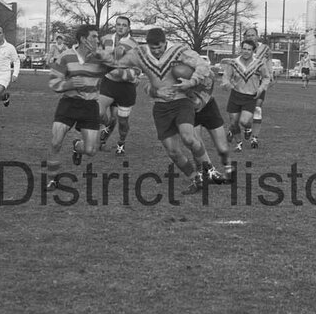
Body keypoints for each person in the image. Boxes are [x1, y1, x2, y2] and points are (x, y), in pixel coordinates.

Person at [116, 28, 214, 194]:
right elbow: (118, 65)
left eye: (159, 47)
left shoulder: (179, 51)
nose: (156, 51)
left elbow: (203, 66)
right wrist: (155, 91)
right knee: (173, 151)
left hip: (182, 101)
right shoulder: (139, 54)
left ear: (165, 42)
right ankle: (195, 179)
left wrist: (191, 82)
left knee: (188, 138)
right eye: (153, 48)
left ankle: (207, 169)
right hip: (161, 107)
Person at [47, 24, 124, 187]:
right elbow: (53, 82)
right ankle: (52, 179)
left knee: (91, 151)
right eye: (94, 37)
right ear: (83, 39)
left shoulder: (99, 58)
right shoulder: (66, 56)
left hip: (90, 106)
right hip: (68, 104)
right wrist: (68, 84)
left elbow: (117, 65)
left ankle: (77, 146)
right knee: (55, 142)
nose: (97, 39)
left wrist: (99, 53)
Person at [97, 15, 141, 155]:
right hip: (109, 83)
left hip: (125, 87)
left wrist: (125, 74)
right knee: (98, 113)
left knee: (122, 122)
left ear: (129, 28)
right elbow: (98, 55)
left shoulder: (134, 45)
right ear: (115, 26)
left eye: (124, 25)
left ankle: (121, 142)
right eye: (118, 24)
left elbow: (138, 69)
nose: (121, 27)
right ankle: (108, 125)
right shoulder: (106, 39)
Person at [221, 40, 272, 151]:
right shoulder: (233, 63)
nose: (246, 51)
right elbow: (226, 77)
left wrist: (261, 88)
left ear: (253, 51)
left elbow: (266, 77)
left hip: (250, 97)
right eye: (244, 49)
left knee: (244, 121)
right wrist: (227, 84)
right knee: (233, 122)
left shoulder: (259, 64)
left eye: (249, 49)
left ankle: (248, 128)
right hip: (235, 95)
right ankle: (239, 143)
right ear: (241, 49)